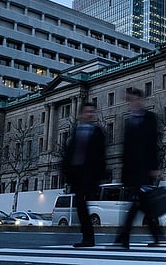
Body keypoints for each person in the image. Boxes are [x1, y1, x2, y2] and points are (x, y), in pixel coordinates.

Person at [114, 88, 163, 249]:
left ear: (141, 100)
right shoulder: (128, 122)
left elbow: (153, 145)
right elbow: (125, 151)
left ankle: (124, 237)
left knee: (137, 206)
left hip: (145, 170)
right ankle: (154, 236)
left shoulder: (150, 118)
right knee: (139, 206)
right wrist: (124, 175)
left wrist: (155, 168)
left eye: (135, 100)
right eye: (130, 100)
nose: (133, 103)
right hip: (132, 172)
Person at [62, 102, 106, 248]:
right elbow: (68, 154)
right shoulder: (75, 131)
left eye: (92, 112)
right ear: (81, 114)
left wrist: (100, 176)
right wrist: (67, 173)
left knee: (82, 205)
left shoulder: (97, 131)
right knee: (81, 206)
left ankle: (88, 237)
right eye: (87, 112)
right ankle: (87, 237)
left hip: (90, 175)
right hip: (77, 175)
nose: (90, 114)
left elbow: (101, 155)